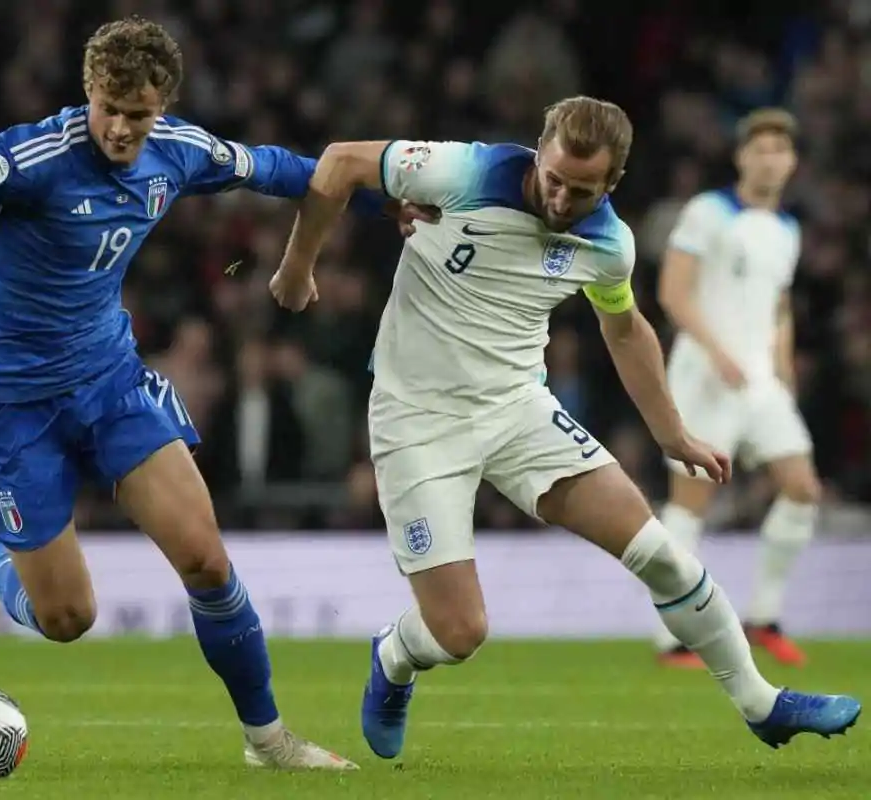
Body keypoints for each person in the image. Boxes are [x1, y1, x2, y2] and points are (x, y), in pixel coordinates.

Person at [0, 15, 432, 771]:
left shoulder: (177, 153)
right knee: (69, 617)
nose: (119, 128)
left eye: (137, 114)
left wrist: (384, 205)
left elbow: (283, 169)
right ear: (89, 93)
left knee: (207, 560)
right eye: (108, 109)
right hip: (9, 400)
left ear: (162, 106)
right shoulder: (36, 157)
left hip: (107, 377)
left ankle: (268, 741)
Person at [269, 96, 861, 760]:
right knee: (460, 632)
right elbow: (341, 162)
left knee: (660, 552)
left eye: (581, 190)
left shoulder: (609, 243)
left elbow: (624, 328)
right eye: (553, 176)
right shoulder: (464, 172)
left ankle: (762, 704)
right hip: (418, 421)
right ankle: (395, 654)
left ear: (611, 185)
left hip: (519, 409)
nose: (560, 196)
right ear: (541, 146)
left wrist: (672, 434)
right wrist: (299, 265)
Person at [654, 109, 818, 669]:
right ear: (741, 156)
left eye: (781, 149)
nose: (771, 158)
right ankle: (674, 637)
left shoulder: (786, 230)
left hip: (759, 379)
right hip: (705, 372)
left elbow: (778, 305)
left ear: (792, 162)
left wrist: (783, 368)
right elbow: (673, 292)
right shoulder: (708, 213)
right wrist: (716, 351)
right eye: (761, 148)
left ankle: (764, 617)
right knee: (692, 502)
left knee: (802, 488)